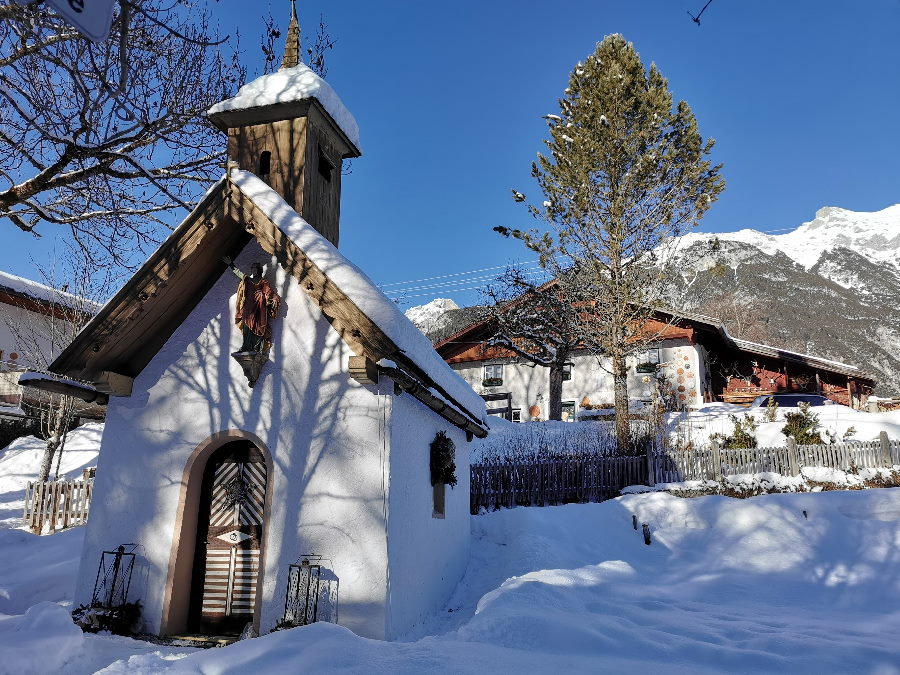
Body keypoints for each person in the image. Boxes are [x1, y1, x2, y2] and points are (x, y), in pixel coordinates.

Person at [223, 257, 281, 353]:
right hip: (248, 307)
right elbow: (239, 273)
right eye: (252, 268)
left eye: (255, 268)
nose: (253, 269)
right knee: (246, 325)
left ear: (259, 270)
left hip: (259, 307)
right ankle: (246, 346)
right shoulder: (247, 280)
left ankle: (256, 347)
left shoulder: (263, 282)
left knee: (258, 326)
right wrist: (230, 264)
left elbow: (269, 293)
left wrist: (273, 299)